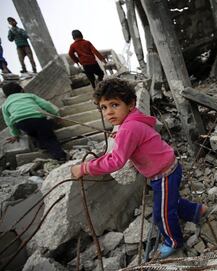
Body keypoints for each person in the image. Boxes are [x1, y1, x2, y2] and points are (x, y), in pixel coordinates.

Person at [70, 78, 206, 258]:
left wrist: (86, 168)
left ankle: (174, 241)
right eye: (104, 107)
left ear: (131, 103)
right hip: (168, 167)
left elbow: (116, 161)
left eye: (114, 105)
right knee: (169, 201)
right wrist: (120, 133)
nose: (109, 112)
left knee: (161, 214)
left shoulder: (128, 129)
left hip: (164, 174)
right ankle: (197, 211)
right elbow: (132, 132)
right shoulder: (132, 120)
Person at [1, 82, 67, 161]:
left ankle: (42, 147)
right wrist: (56, 115)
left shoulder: (5, 105)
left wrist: (15, 134)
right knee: (49, 137)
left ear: (5, 96)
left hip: (21, 123)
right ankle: (60, 156)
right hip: (37, 119)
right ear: (22, 90)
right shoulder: (29, 96)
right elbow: (46, 105)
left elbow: (8, 121)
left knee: (34, 134)